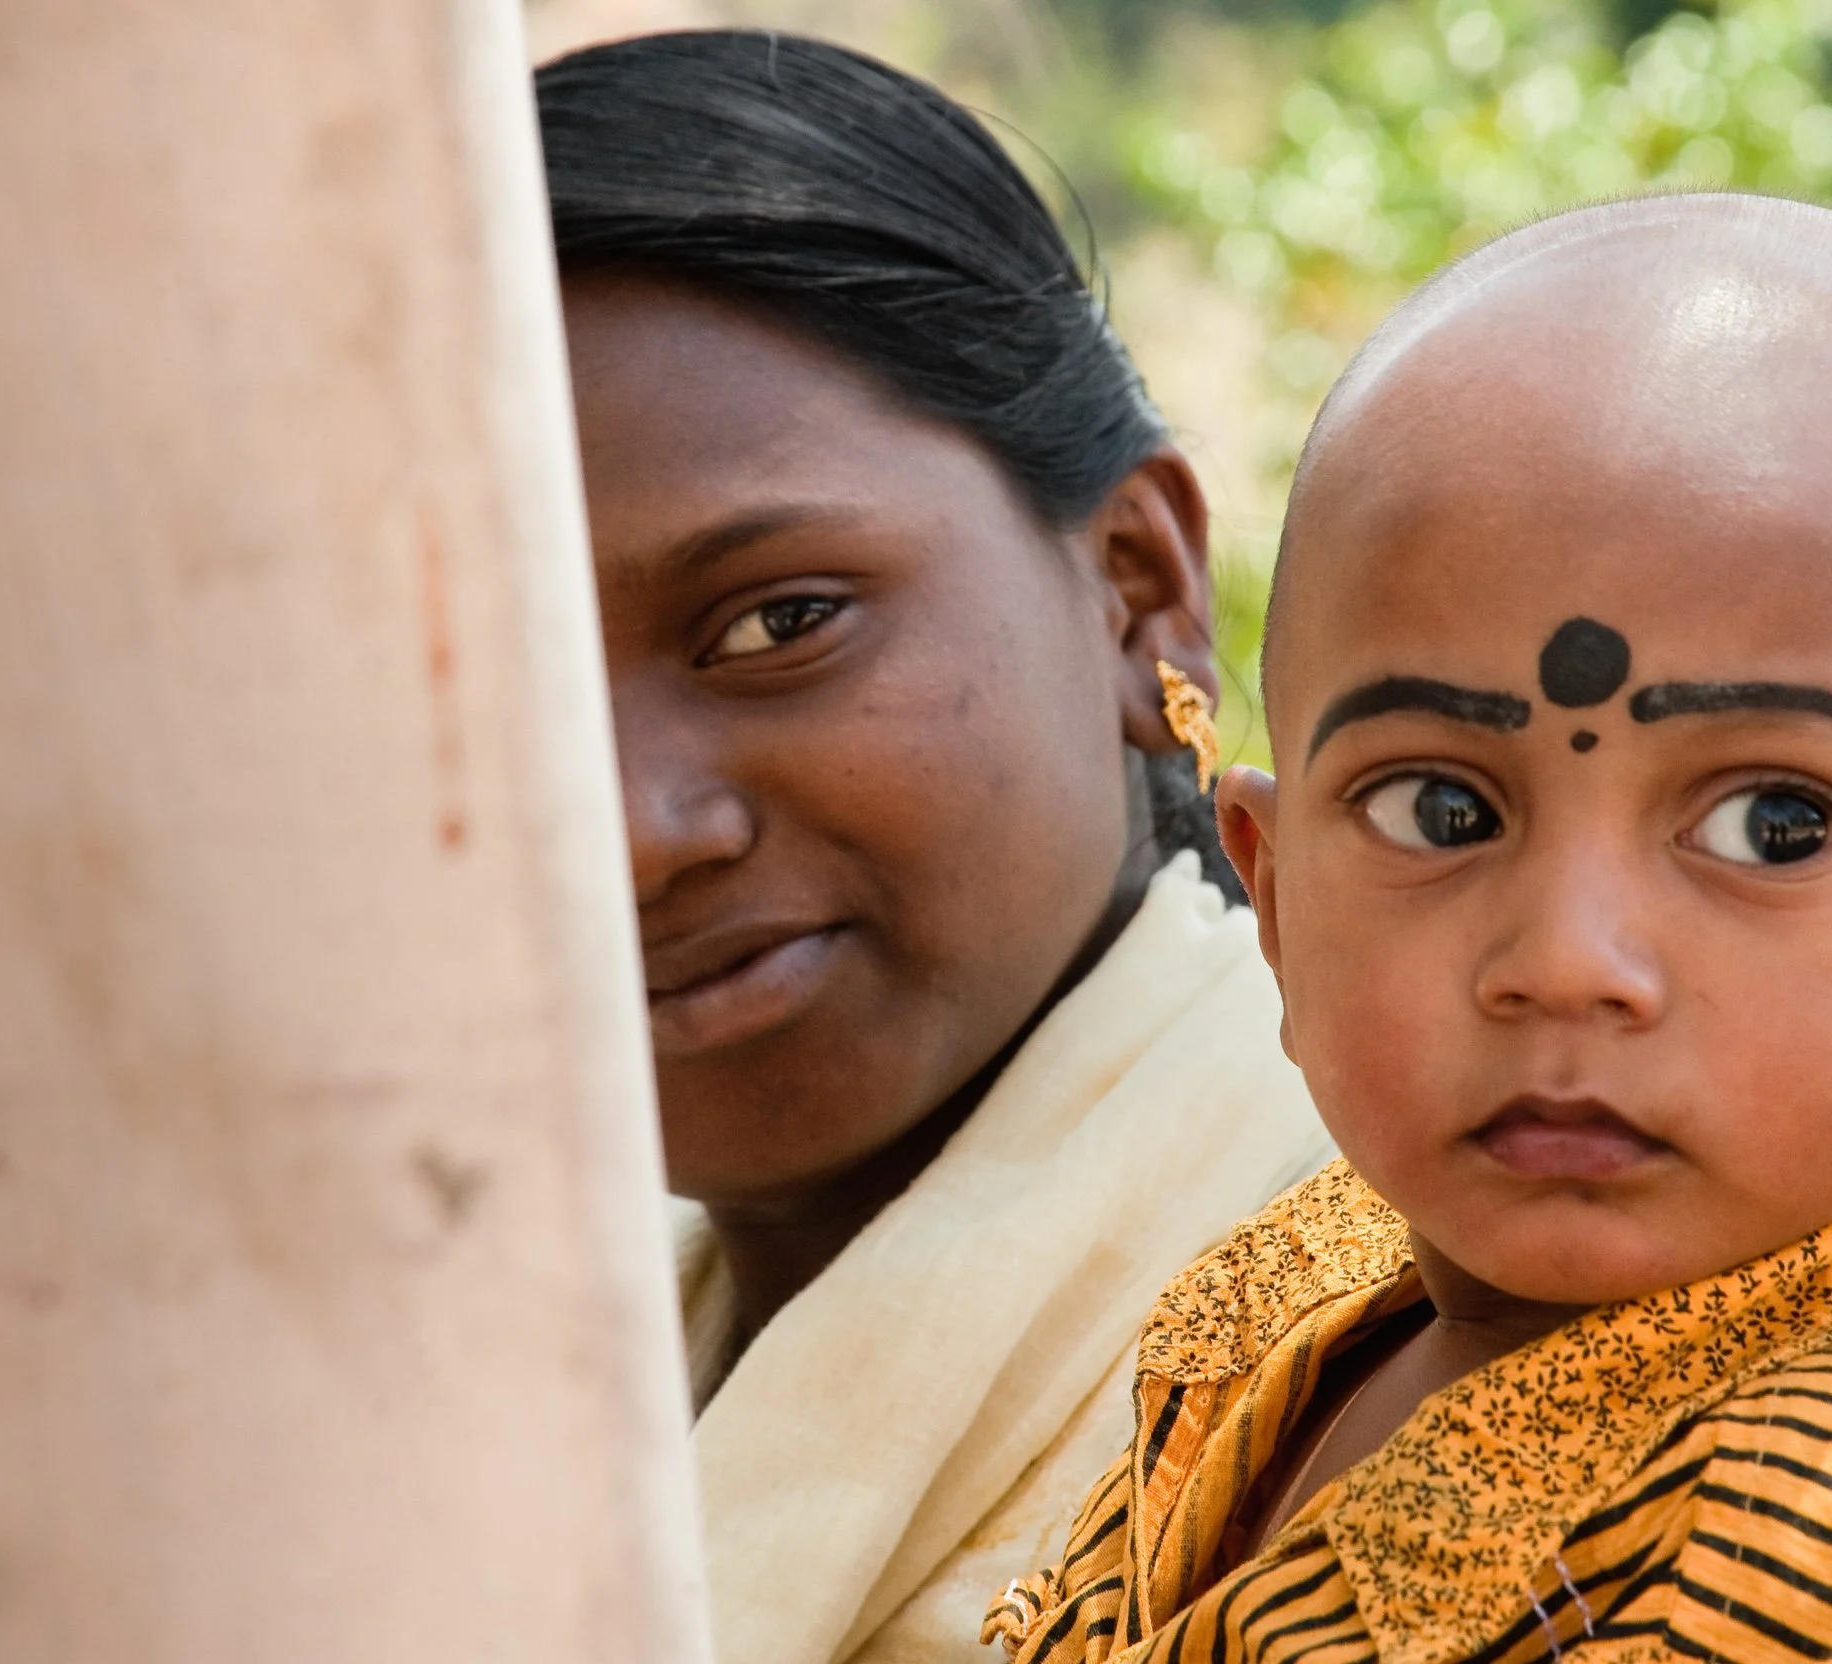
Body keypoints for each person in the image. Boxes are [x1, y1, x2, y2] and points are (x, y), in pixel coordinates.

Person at [987, 194, 1832, 1663]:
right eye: (1440, 810)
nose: (1565, 961)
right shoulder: (1315, 1284)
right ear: (1276, 893)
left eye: (1776, 828)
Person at [534, 32, 1334, 1664]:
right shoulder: (479, 1442)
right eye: (494, 700)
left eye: (777, 623)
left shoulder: (1439, 1383)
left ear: (1137, 585)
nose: (631, 835)